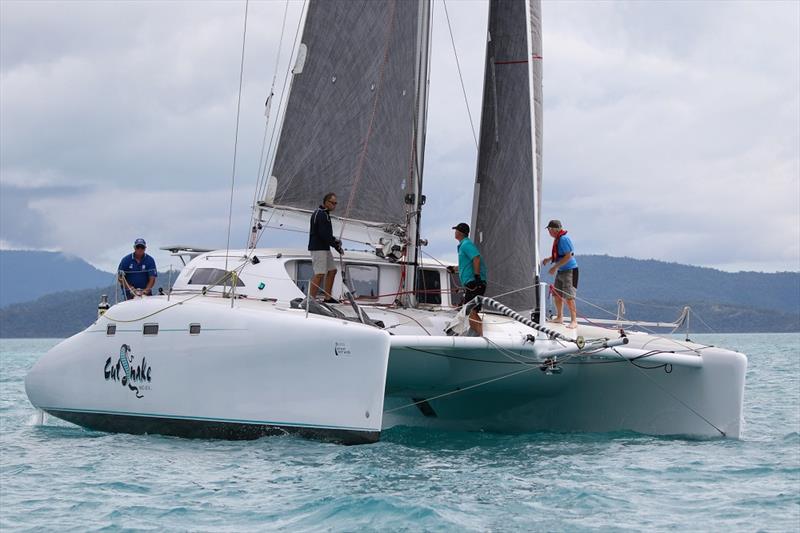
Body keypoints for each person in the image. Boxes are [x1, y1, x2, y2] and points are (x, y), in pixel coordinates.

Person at [447, 222, 487, 336]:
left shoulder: (466, 244)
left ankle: (481, 337)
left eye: (456, 230)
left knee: (470, 311)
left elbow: (476, 258)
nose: (455, 232)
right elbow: (466, 265)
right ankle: (480, 336)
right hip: (472, 283)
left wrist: (477, 277)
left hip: (474, 282)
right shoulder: (462, 246)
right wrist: (454, 269)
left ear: (460, 232)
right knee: (471, 311)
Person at [541, 220, 579, 328]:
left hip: (570, 271)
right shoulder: (558, 239)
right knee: (557, 295)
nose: (549, 232)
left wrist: (554, 267)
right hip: (562, 271)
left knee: (569, 296)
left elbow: (569, 255)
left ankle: (574, 321)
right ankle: (559, 317)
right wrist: (549, 259)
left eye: (549, 229)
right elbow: (559, 254)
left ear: (554, 230)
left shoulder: (563, 239)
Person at [308, 192, 344, 303]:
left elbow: (326, 234)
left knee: (332, 270)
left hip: (324, 247)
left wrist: (334, 241)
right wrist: (336, 245)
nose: (334, 205)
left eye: (336, 203)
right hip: (318, 248)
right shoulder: (321, 214)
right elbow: (323, 234)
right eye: (333, 203)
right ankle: (310, 300)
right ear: (326, 202)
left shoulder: (324, 213)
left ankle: (327, 297)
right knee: (319, 274)